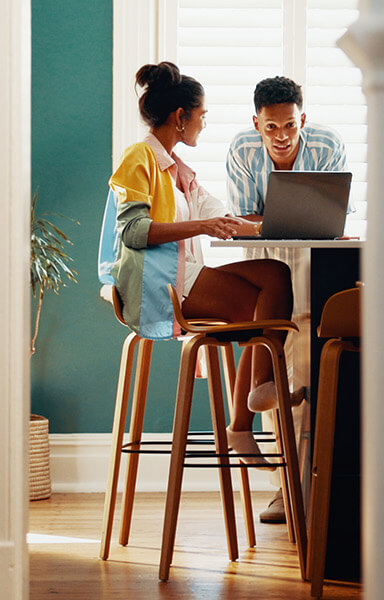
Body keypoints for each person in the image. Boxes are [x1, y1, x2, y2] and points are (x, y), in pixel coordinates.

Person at [99, 61, 290, 468]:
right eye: (201, 116)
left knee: (275, 275)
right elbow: (133, 231)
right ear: (180, 118)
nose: (203, 124)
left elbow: (221, 216)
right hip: (162, 285)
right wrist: (203, 225)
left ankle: (258, 391)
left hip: (185, 276)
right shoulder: (139, 158)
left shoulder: (177, 170)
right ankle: (251, 407)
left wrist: (288, 225)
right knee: (263, 304)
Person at [224, 75, 350, 523]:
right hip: (268, 270)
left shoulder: (327, 144)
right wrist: (281, 221)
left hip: (317, 265)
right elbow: (243, 220)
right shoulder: (242, 150)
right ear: (256, 122)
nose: (281, 136)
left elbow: (331, 215)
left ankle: (318, 483)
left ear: (303, 120)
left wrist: (274, 219)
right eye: (271, 127)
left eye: (290, 126)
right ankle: (284, 487)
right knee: (274, 371)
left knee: (314, 374)